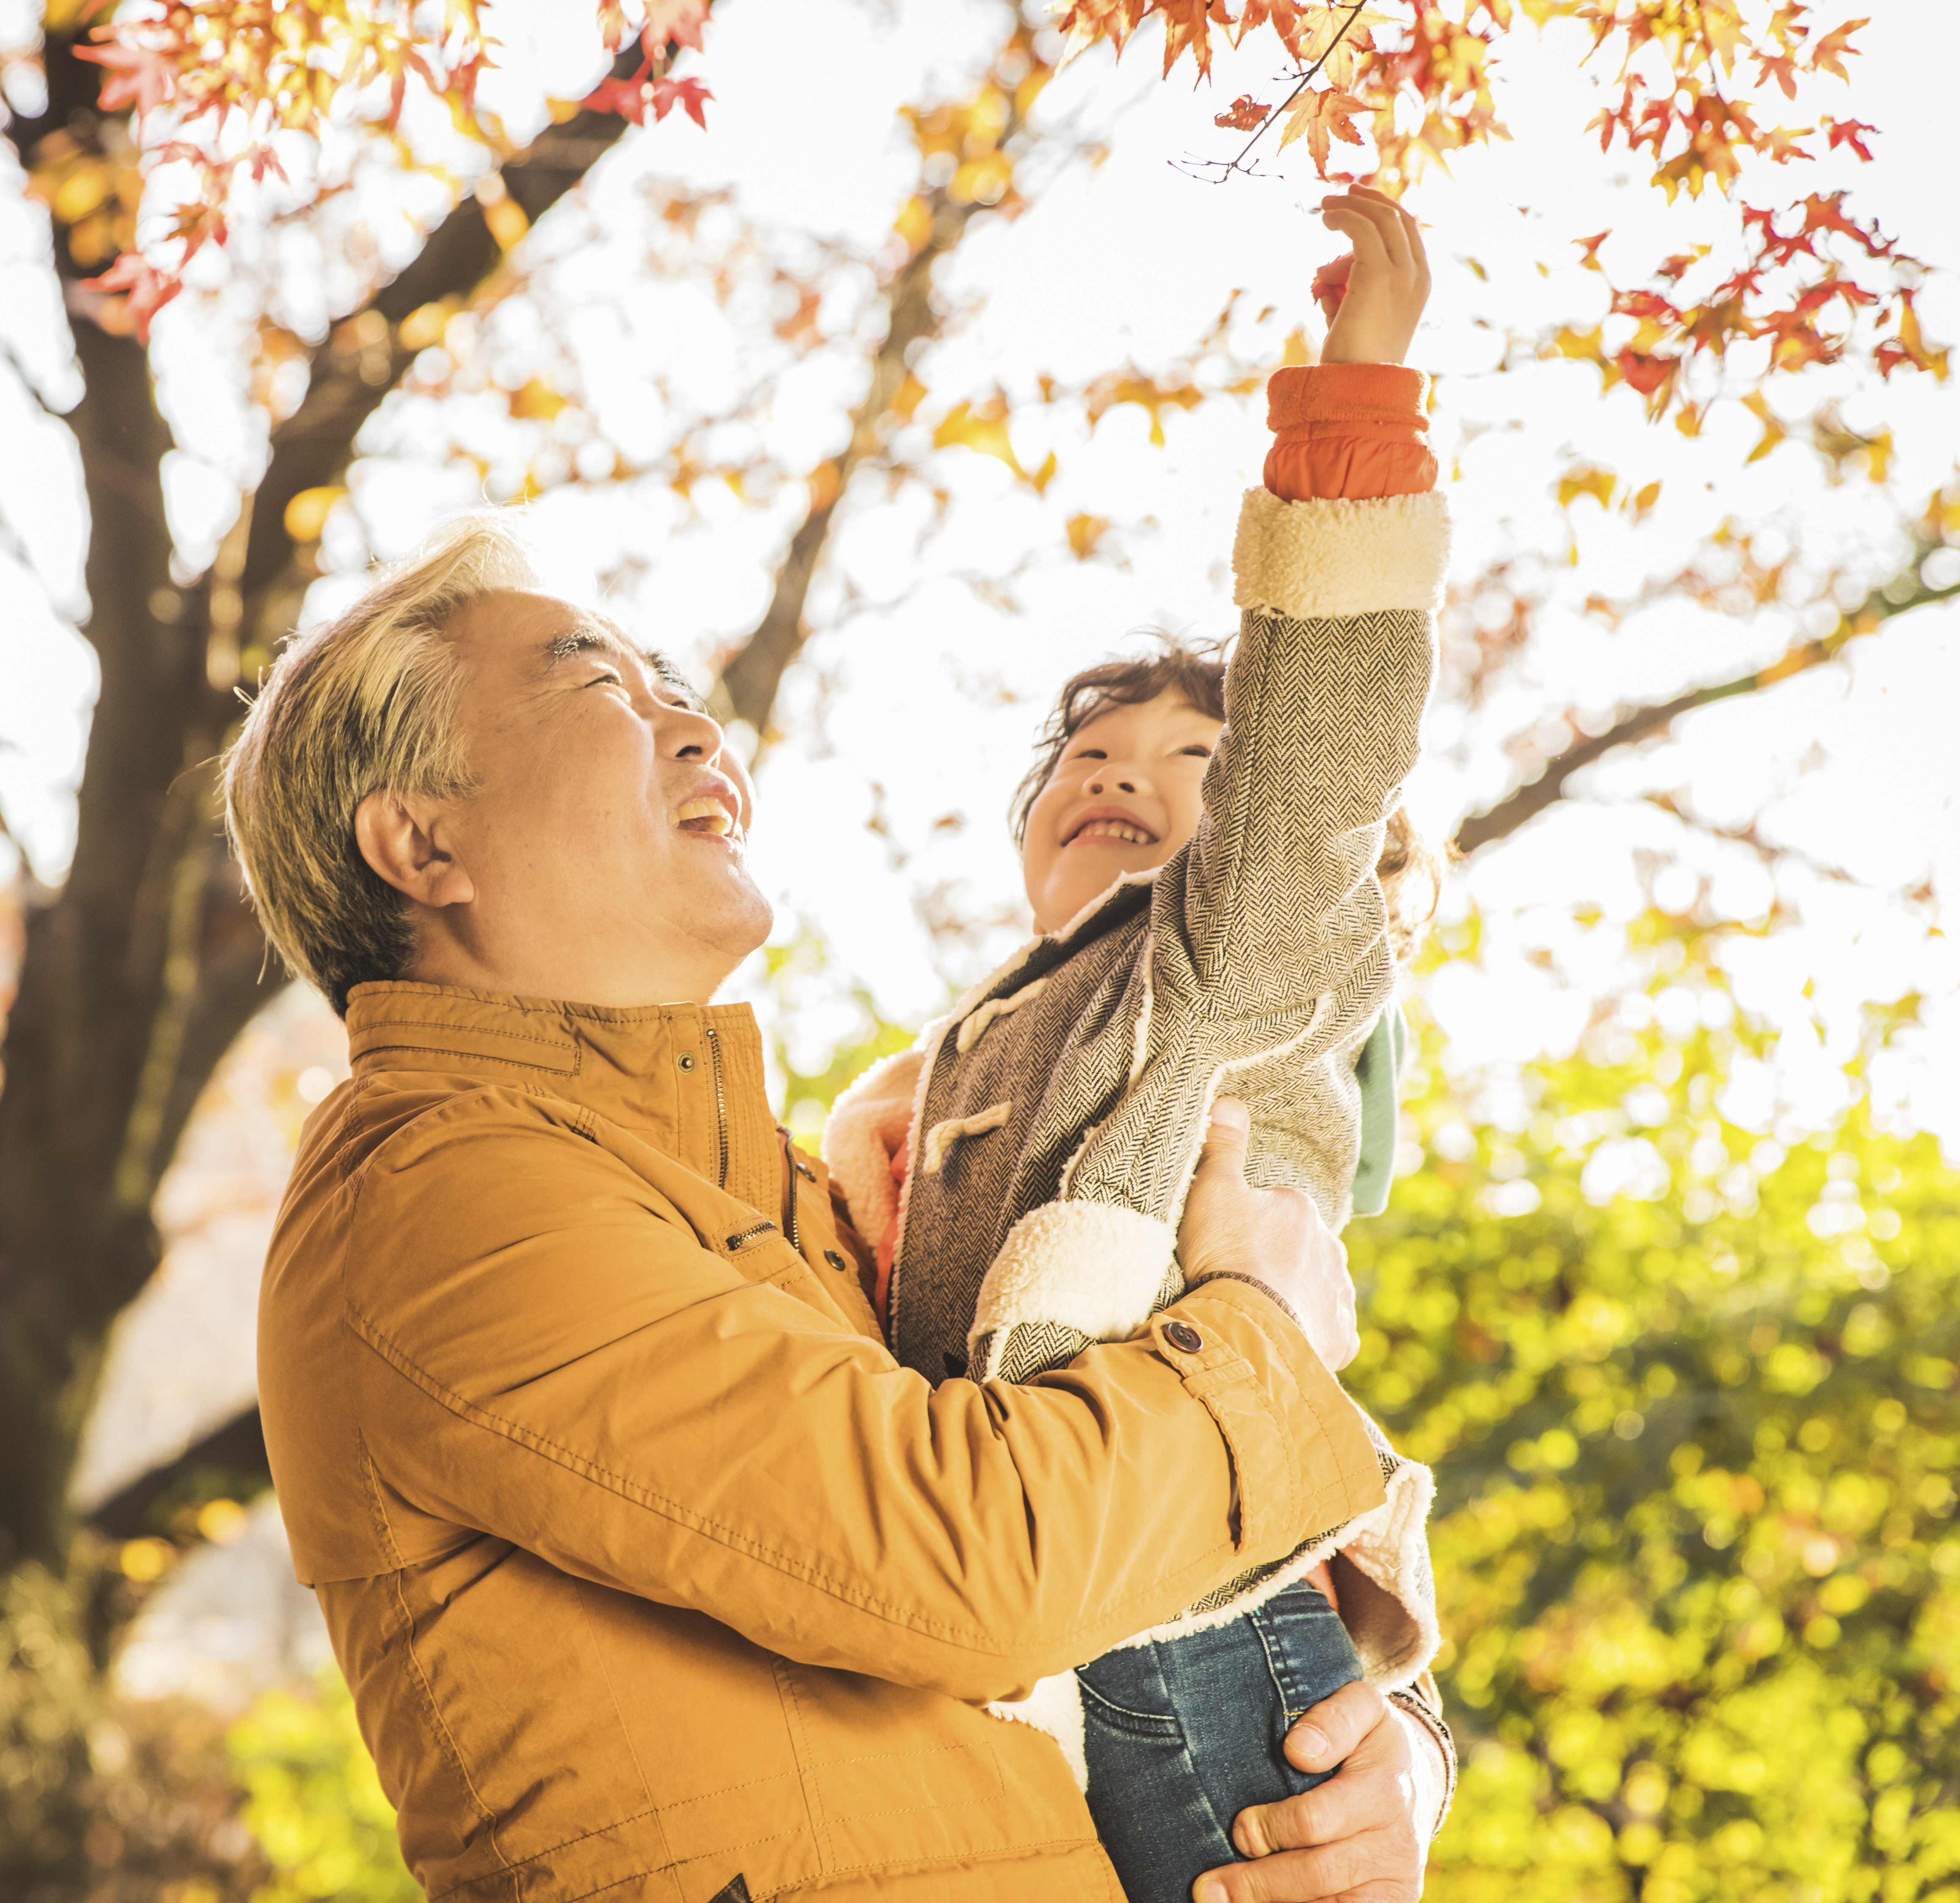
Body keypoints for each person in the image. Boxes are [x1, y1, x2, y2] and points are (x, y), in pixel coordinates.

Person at [221, 207, 1447, 1903]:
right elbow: (976, 1558)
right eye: (594, 677)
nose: (693, 717)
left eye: (670, 678)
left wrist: (1382, 1759)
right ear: (422, 843)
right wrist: (1264, 1342)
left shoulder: (786, 1197)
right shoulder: (444, 1202)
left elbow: (1125, 1587)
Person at [819, 185, 1453, 1903]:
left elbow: (1313, 773)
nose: (1117, 771)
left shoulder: (1234, 966)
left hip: (1182, 1617)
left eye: (1187, 757)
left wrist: (1356, 405)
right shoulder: (945, 1070)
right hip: (1032, 1606)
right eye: (1085, 755)